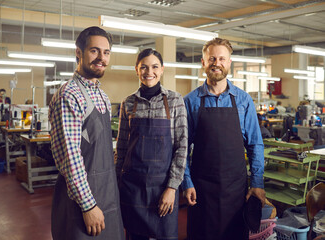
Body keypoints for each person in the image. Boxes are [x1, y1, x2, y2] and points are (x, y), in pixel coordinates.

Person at [182, 38, 266, 240]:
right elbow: (182, 148)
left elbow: (255, 144)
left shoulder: (244, 100)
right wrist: (187, 182)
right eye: (212, 58)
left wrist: (257, 183)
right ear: (203, 62)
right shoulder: (190, 101)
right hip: (201, 190)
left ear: (229, 63)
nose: (216, 63)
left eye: (222, 58)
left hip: (236, 190)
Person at [49, 26, 124, 240]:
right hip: (81, 202)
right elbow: (70, 157)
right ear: (78, 52)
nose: (102, 58)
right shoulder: (69, 95)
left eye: (106, 52)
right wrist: (88, 205)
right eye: (94, 51)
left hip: (107, 194)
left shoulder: (102, 95)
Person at [115, 48, 188, 240]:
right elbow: (122, 146)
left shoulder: (175, 101)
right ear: (136, 70)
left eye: (155, 67)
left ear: (162, 69)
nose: (149, 72)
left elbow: (182, 147)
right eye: (144, 67)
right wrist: (117, 183)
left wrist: (172, 188)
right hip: (133, 187)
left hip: (162, 188)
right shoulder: (128, 103)